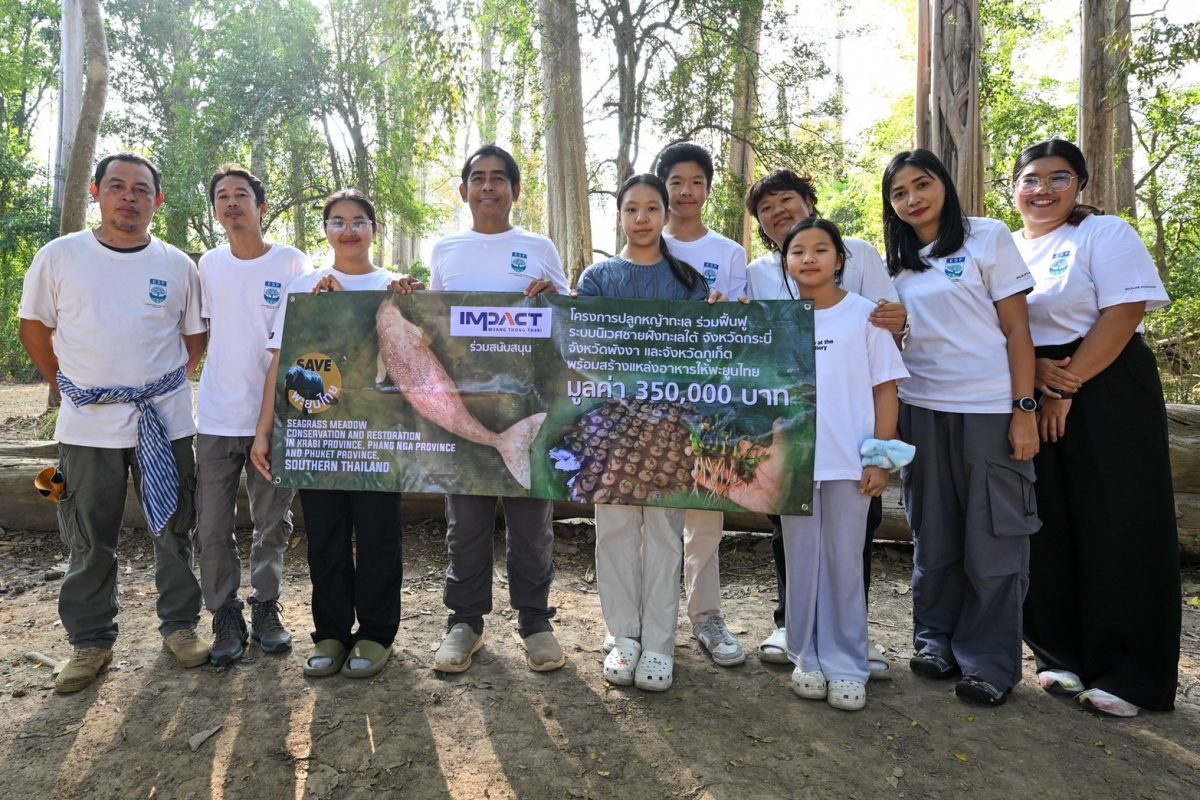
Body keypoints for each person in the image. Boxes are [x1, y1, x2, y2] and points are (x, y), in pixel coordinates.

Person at [18, 153, 210, 693]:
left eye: (142, 189)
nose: (130, 197)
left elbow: (194, 341)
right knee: (87, 534)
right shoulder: (60, 257)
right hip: (87, 426)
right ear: (98, 193)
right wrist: (71, 384)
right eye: (118, 186)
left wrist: (151, 389)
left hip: (165, 424)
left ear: (158, 200)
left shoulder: (177, 264)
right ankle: (91, 642)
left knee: (174, 527)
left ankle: (179, 628)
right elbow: (33, 327)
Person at [1010, 138, 1179, 717]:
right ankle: (1059, 655)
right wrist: (1035, 377)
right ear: (1015, 188)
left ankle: (1133, 674)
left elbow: (1124, 312)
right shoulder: (1003, 248)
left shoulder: (1104, 235)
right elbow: (997, 329)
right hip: (1032, 384)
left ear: (1079, 185)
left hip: (1105, 382)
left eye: (1059, 178)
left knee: (1120, 521)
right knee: (1046, 521)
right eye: (1031, 179)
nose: (1043, 190)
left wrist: (1066, 384)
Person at [882, 148, 1041, 707]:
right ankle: (935, 641)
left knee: (994, 540)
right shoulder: (897, 261)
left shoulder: (986, 237)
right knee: (936, 534)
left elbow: (1019, 332)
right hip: (921, 410)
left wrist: (1024, 409)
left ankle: (990, 662)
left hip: (989, 410)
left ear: (944, 184)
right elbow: (896, 340)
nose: (912, 199)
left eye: (921, 185)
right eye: (899, 193)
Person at [744, 169, 906, 676]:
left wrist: (882, 456)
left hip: (850, 459)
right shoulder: (769, 304)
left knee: (846, 554)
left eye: (818, 251)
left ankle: (849, 654)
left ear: (840, 259)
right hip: (793, 458)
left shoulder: (864, 314)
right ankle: (802, 650)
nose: (807, 259)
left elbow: (886, 385)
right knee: (798, 552)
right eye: (797, 253)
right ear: (785, 263)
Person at [250, 189, 409, 679]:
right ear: (326, 230)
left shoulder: (395, 286)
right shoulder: (304, 287)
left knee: (379, 535)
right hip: (317, 434)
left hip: (381, 434)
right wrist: (265, 433)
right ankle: (332, 633)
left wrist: (406, 306)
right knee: (326, 536)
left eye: (359, 221)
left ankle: (377, 634)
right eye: (337, 221)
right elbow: (282, 363)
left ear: (374, 230)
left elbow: (410, 361)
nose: (348, 230)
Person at [425, 145, 569, 675]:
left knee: (532, 525)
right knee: (465, 524)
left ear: (514, 190)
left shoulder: (538, 245)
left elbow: (565, 317)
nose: (488, 187)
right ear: (464, 190)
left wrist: (556, 293)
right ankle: (465, 624)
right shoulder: (446, 248)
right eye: (478, 178)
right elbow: (434, 325)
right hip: (464, 411)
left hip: (526, 410)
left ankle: (535, 622)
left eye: (498, 179)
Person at [576, 173, 716, 692]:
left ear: (664, 215)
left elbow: (705, 352)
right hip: (610, 425)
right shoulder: (597, 279)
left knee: (663, 531)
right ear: (619, 216)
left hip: (671, 426)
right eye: (631, 209)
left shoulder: (689, 282)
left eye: (651, 209)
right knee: (612, 529)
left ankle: (659, 642)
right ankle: (624, 636)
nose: (642, 218)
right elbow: (584, 349)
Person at [196, 164, 310, 666]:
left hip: (277, 417)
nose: (232, 202)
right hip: (217, 417)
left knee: (272, 521)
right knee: (212, 525)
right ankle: (223, 614)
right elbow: (197, 336)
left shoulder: (292, 263)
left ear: (261, 207)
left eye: (241, 194)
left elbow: (300, 340)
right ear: (217, 211)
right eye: (222, 196)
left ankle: (266, 606)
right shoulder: (207, 266)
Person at [652, 142, 748, 667]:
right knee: (652, 513)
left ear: (708, 190)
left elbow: (744, 329)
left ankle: (707, 617)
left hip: (711, 400)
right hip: (650, 403)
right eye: (675, 182)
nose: (685, 192)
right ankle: (648, 617)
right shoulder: (643, 244)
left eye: (696, 182)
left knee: (705, 514)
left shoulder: (729, 253)